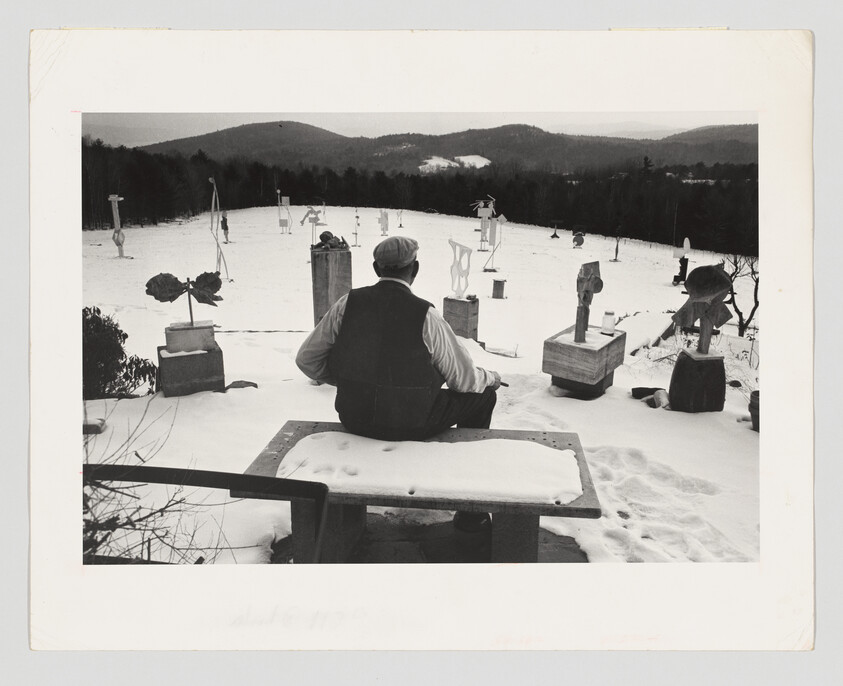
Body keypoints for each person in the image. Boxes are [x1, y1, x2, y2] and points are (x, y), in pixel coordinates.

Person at [296, 236, 502, 532]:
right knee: (483, 398)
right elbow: (464, 380)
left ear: (376, 268)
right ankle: (470, 509)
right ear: (414, 269)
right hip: (412, 422)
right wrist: (491, 378)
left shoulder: (347, 304)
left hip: (355, 417)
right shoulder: (426, 316)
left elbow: (307, 360)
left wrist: (348, 380)